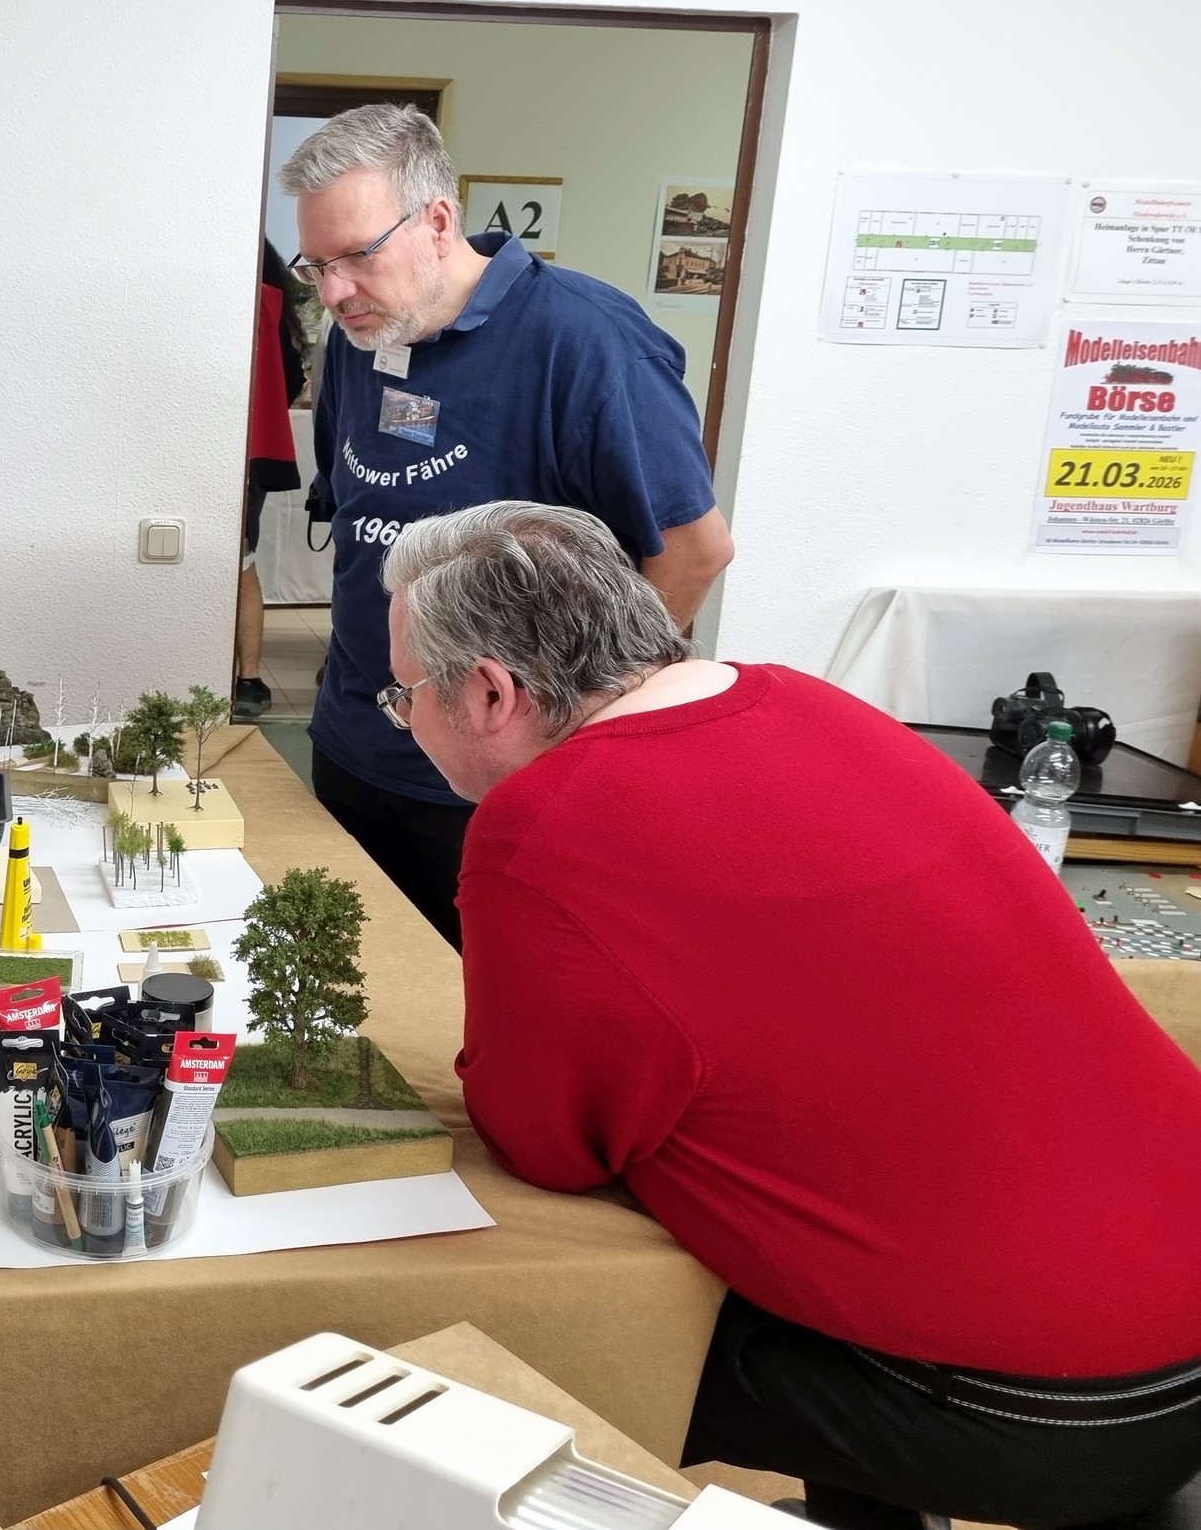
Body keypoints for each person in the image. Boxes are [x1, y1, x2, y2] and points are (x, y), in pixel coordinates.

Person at [380, 500, 1201, 1528]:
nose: (400, 718)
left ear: (490, 691)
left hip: (1050, 1406)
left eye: (403, 695)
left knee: (549, 1334)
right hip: (1160, 1296)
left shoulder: (542, 827)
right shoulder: (806, 701)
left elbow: (547, 1144)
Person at [279, 104, 733, 950]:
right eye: (317, 266)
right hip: (356, 741)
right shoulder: (357, 338)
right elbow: (358, 514)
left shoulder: (587, 342)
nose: (333, 292)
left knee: (482, 1001)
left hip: (502, 778)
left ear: (437, 221)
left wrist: (577, 731)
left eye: (357, 256)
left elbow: (695, 552)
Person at [233, 239, 303, 719]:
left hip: (217, 453)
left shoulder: (239, 300)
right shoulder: (270, 305)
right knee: (244, 560)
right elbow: (293, 377)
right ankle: (248, 679)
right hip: (254, 452)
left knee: (234, 560)